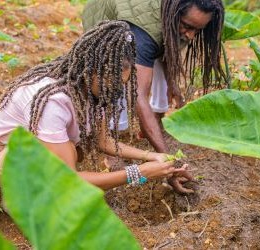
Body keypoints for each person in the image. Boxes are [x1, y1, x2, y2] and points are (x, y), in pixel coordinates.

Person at [0, 21, 189, 190]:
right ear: (89, 71)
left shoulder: (97, 92)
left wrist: (152, 157)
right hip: (1, 158)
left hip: (35, 152)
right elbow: (70, 180)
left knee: (73, 152)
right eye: (111, 85)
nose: (114, 92)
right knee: (69, 164)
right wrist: (139, 173)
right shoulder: (53, 101)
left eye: (121, 85)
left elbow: (103, 141)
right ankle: (21, 200)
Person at [82, 0, 225, 193]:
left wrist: (172, 84)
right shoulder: (141, 34)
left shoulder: (177, 19)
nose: (191, 36)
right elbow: (138, 96)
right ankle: (114, 146)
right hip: (107, 15)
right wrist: (168, 161)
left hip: (148, 27)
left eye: (198, 30)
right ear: (173, 15)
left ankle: (134, 134)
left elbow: (164, 47)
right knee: (116, 82)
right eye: (188, 27)